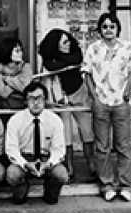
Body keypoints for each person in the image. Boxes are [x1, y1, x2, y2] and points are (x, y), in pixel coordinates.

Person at [83, 12, 131, 202]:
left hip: (120, 103)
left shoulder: (128, 48)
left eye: (112, 26)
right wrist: (94, 97)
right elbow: (87, 74)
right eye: (105, 26)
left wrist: (127, 93)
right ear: (100, 29)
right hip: (101, 102)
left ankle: (126, 185)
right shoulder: (93, 49)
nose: (108, 30)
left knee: (123, 145)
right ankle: (106, 184)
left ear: (117, 28)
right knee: (102, 146)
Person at [37, 29, 96, 182]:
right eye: (64, 42)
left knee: (87, 129)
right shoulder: (49, 60)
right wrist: (63, 62)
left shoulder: (74, 53)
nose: (69, 43)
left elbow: (76, 59)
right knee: (66, 133)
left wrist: (61, 61)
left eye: (68, 40)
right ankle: (69, 166)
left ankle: (91, 164)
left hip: (79, 94)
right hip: (60, 98)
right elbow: (51, 66)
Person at [5, 82, 69, 204]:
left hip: (46, 158)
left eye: (39, 98)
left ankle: (50, 193)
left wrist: (49, 164)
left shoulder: (55, 120)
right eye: (31, 98)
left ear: (45, 100)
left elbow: (59, 150)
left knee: (61, 174)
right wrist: (25, 164)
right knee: (12, 174)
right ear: (25, 101)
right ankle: (21, 192)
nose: (35, 102)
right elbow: (11, 149)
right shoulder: (15, 120)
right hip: (24, 157)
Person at [0, 37, 33, 110]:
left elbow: (24, 87)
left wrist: (6, 79)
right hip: (1, 108)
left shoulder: (25, 67)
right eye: (17, 51)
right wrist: (17, 81)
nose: (21, 53)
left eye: (21, 50)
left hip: (23, 107)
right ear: (7, 51)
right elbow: (3, 93)